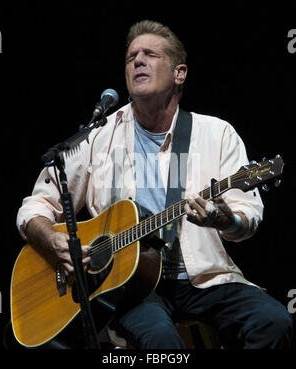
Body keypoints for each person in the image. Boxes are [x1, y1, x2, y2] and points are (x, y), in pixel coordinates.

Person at [17, 20, 293, 349]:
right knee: (161, 344)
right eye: (131, 56)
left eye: (150, 54)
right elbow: (37, 204)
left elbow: (246, 215)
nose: (137, 60)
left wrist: (223, 218)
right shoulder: (98, 137)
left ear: (179, 73)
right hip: (130, 290)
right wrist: (50, 239)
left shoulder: (216, 133)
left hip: (206, 278)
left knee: (275, 323)